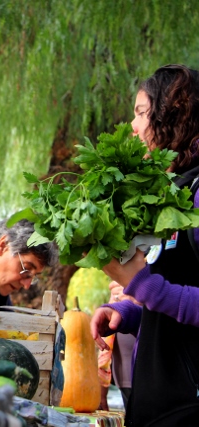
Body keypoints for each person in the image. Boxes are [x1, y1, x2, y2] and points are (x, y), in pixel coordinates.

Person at [90, 64, 199, 426]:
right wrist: (134, 314)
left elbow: (163, 291)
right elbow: (178, 300)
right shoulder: (176, 191)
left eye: (140, 113)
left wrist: (144, 286)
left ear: (174, 114)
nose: (133, 126)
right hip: (160, 408)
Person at [97, 281, 138, 411]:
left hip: (160, 378)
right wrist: (101, 393)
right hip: (125, 378)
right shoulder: (118, 288)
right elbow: (106, 347)